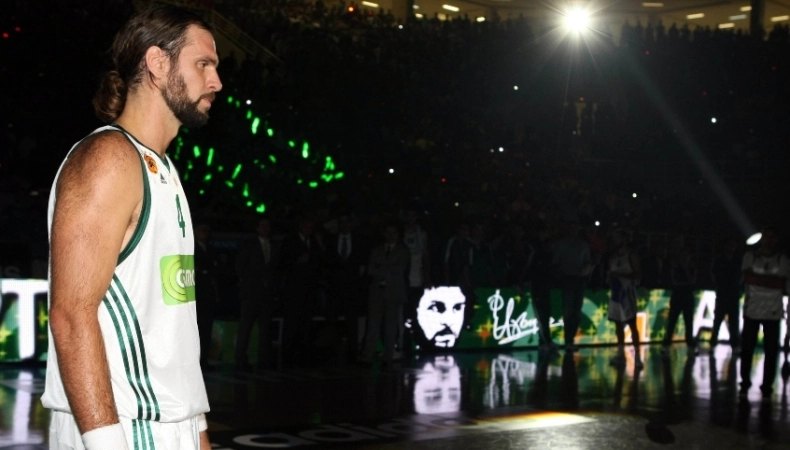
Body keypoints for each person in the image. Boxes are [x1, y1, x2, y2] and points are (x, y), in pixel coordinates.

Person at [43, 4, 221, 450]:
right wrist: (106, 443)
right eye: (203, 64)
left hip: (167, 424)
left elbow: (169, 331)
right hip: (124, 426)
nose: (216, 81)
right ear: (158, 63)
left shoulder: (163, 169)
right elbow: (71, 315)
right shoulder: (109, 160)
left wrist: (197, 431)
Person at [740, 227, 789, 400]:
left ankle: (767, 387)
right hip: (752, 310)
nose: (769, 240)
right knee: (747, 349)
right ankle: (744, 383)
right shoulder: (750, 256)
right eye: (767, 236)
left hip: (773, 312)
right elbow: (747, 278)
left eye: (772, 237)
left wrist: (758, 280)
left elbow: (782, 285)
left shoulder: (782, 260)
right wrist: (771, 281)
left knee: (771, 351)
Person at [234, 216, 280, 370]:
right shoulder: (249, 245)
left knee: (265, 328)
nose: (265, 228)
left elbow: (276, 269)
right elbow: (240, 266)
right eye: (262, 225)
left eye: (267, 225)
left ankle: (263, 359)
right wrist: (247, 283)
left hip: (267, 294)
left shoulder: (274, 245)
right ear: (257, 228)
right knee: (245, 327)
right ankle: (240, 359)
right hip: (250, 294)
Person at [359, 224, 409, 364]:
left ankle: (388, 355)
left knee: (390, 326)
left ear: (398, 234)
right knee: (373, 325)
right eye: (388, 232)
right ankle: (368, 355)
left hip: (393, 292)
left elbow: (399, 270)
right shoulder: (377, 249)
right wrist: (387, 269)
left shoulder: (403, 250)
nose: (390, 235)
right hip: (377, 291)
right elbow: (370, 269)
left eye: (393, 232)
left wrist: (380, 268)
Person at [552, 220, 592, 351]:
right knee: (568, 311)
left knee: (576, 311)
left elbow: (588, 262)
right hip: (567, 279)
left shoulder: (583, 245)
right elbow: (555, 263)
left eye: (575, 228)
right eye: (571, 227)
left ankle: (570, 339)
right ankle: (568, 340)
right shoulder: (561, 244)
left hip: (580, 280)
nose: (573, 230)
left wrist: (586, 270)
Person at [606, 229, 643, 370]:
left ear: (624, 239)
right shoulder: (612, 257)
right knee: (618, 325)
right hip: (615, 294)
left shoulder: (631, 255)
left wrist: (621, 275)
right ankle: (621, 355)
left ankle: (637, 357)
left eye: (617, 237)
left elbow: (638, 274)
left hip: (627, 294)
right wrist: (609, 278)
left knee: (632, 325)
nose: (615, 240)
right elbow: (610, 274)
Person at [663, 248, 698, 355]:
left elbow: (692, 281)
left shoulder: (692, 268)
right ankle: (666, 346)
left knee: (689, 323)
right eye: (682, 256)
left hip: (688, 298)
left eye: (686, 256)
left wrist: (686, 273)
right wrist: (685, 283)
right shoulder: (675, 268)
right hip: (677, 298)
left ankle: (690, 345)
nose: (684, 259)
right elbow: (674, 283)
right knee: (672, 322)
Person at [195, 222, 220, 370]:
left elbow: (216, 270)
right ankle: (194, 360)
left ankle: (203, 359)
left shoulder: (211, 250)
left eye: (207, 230)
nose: (205, 233)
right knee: (195, 328)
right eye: (202, 230)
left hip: (209, 295)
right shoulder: (191, 248)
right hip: (195, 296)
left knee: (206, 328)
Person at [709, 237, 743, 349]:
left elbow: (743, 274)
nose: (731, 248)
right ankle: (713, 342)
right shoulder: (719, 259)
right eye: (730, 245)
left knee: (733, 322)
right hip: (723, 293)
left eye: (733, 245)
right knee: (718, 320)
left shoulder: (738, 260)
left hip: (732, 294)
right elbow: (713, 273)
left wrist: (738, 285)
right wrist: (717, 285)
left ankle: (734, 344)